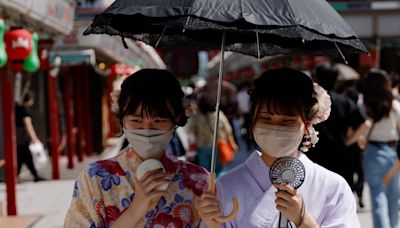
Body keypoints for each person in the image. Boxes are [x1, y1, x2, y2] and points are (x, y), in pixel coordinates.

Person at [198, 68, 361, 227]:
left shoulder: (333, 187)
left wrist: (303, 220)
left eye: (287, 121)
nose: (275, 128)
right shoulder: (225, 187)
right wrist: (213, 225)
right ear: (253, 120)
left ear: (307, 125)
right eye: (266, 118)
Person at [64, 69, 211, 227]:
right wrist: (135, 210)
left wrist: (214, 224)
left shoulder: (199, 180)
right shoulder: (94, 178)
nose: (146, 130)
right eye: (136, 120)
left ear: (176, 119)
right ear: (122, 118)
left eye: (158, 120)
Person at [307, 62, 370, 197]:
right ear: (336, 79)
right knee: (340, 198)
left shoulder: (309, 102)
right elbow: (365, 123)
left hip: (315, 154)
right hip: (341, 154)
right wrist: (349, 141)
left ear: (316, 78)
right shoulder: (345, 101)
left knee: (315, 197)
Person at [360, 69, 400, 228]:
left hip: (372, 152)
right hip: (393, 152)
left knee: (377, 198)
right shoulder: (395, 106)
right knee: (393, 198)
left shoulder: (364, 106)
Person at [186, 95, 238, 176]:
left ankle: (208, 186)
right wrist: (233, 143)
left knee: (205, 171)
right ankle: (217, 185)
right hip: (218, 146)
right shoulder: (219, 115)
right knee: (218, 170)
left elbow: (191, 133)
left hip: (202, 147)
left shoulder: (197, 117)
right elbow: (228, 130)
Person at [15, 91, 45, 182]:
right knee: (25, 156)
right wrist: (34, 138)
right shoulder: (25, 109)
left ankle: (18, 175)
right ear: (30, 99)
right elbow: (28, 124)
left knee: (22, 157)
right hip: (23, 137)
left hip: (18, 137)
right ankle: (34, 175)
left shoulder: (18, 108)